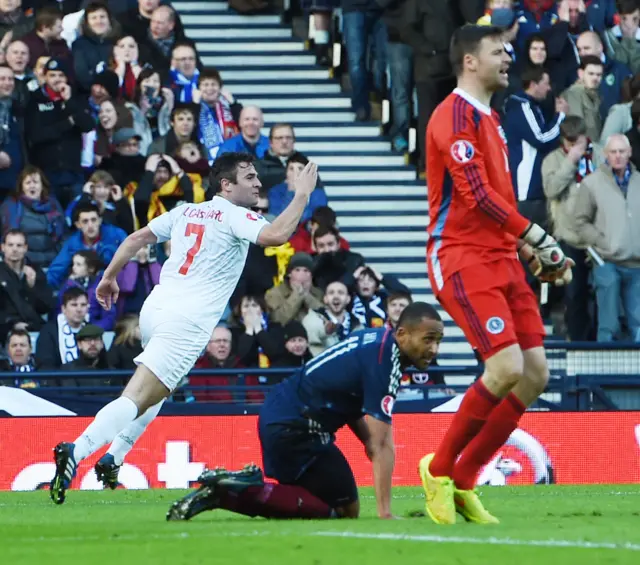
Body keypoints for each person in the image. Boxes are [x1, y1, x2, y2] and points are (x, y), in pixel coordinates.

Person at [48, 151, 319, 503]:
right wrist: (302, 194)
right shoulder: (235, 215)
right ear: (226, 185)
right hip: (186, 322)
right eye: (250, 177)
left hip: (155, 309)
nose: (258, 183)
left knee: (161, 388)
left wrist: (107, 278)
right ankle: (76, 450)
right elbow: (276, 235)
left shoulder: (186, 210)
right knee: (137, 396)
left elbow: (134, 240)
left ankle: (114, 457)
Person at [421, 25, 573, 525]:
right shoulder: (453, 115)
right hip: (461, 256)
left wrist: (527, 253)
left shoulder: (494, 118)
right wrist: (539, 236)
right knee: (505, 367)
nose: (507, 59)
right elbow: (476, 199)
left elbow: (500, 203)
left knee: (535, 376)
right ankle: (438, 471)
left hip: (501, 255)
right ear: (470, 61)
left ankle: (466, 480)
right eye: (497, 52)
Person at [166, 302, 444, 522]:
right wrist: (385, 512)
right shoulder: (387, 361)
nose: (434, 349)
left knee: (337, 504)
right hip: (296, 427)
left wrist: (369, 443)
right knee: (345, 511)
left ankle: (235, 490)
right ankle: (235, 491)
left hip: (284, 415)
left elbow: (349, 399)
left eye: (439, 341)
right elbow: (383, 444)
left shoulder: (375, 341)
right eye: (428, 339)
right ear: (403, 334)